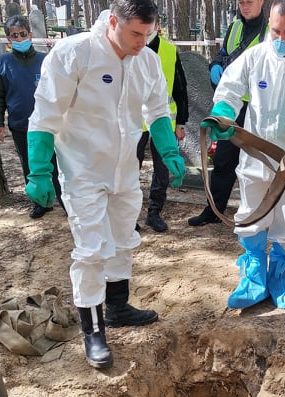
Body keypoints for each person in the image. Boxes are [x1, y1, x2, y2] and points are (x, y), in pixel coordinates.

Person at [25, 0, 185, 369]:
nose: (142, 42)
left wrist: (169, 150)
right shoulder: (75, 53)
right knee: (92, 249)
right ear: (113, 21)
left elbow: (157, 110)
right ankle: (93, 331)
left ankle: (117, 306)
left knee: (122, 236)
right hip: (83, 170)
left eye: (149, 34)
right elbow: (45, 114)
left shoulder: (145, 59)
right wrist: (38, 171)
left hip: (124, 167)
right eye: (135, 34)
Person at [201, 0, 285, 310]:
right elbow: (230, 89)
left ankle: (280, 275)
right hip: (255, 158)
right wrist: (222, 114)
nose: (281, 38)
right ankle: (254, 275)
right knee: (250, 214)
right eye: (275, 31)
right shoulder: (255, 57)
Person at [187, 0, 267, 227]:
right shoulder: (234, 27)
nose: (244, 6)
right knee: (223, 160)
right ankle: (214, 210)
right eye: (241, 2)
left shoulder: (271, 30)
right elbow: (224, 54)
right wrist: (215, 64)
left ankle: (258, 214)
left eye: (249, 2)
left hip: (259, 108)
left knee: (257, 163)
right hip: (232, 107)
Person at [0, 15, 63, 219]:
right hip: (20, 125)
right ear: (8, 39)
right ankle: (40, 202)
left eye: (23, 34)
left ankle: (63, 199)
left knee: (55, 163)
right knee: (29, 164)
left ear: (30, 34)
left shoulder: (45, 60)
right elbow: (0, 96)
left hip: (48, 124)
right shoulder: (4, 63)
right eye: (14, 36)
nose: (19, 39)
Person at [136, 21, 189, 232]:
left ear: (158, 25)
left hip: (164, 121)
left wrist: (182, 122)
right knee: (130, 169)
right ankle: (129, 216)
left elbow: (180, 87)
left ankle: (154, 212)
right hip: (135, 123)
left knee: (162, 170)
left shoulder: (168, 50)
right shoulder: (129, 47)